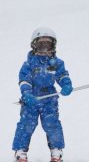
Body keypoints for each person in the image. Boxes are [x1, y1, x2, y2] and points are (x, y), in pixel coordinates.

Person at [12, 27, 73, 162]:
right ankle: (20, 151)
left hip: (49, 99)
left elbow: (62, 75)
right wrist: (27, 93)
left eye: (48, 44)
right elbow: (24, 80)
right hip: (31, 99)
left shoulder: (56, 63)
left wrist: (66, 84)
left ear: (53, 45)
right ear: (34, 45)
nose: (44, 47)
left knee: (52, 124)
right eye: (41, 43)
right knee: (27, 124)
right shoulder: (29, 64)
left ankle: (56, 150)